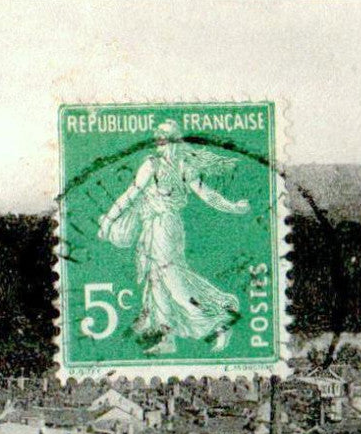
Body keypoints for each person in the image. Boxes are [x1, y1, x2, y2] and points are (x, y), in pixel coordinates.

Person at [97, 120, 250, 355]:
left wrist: (233, 207)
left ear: (174, 139)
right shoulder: (156, 164)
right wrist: (108, 220)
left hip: (165, 229)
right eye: (158, 135)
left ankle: (219, 323)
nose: (159, 139)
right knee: (156, 281)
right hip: (155, 227)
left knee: (174, 282)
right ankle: (167, 338)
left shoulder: (176, 166)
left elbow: (206, 195)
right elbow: (131, 194)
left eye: (164, 135)